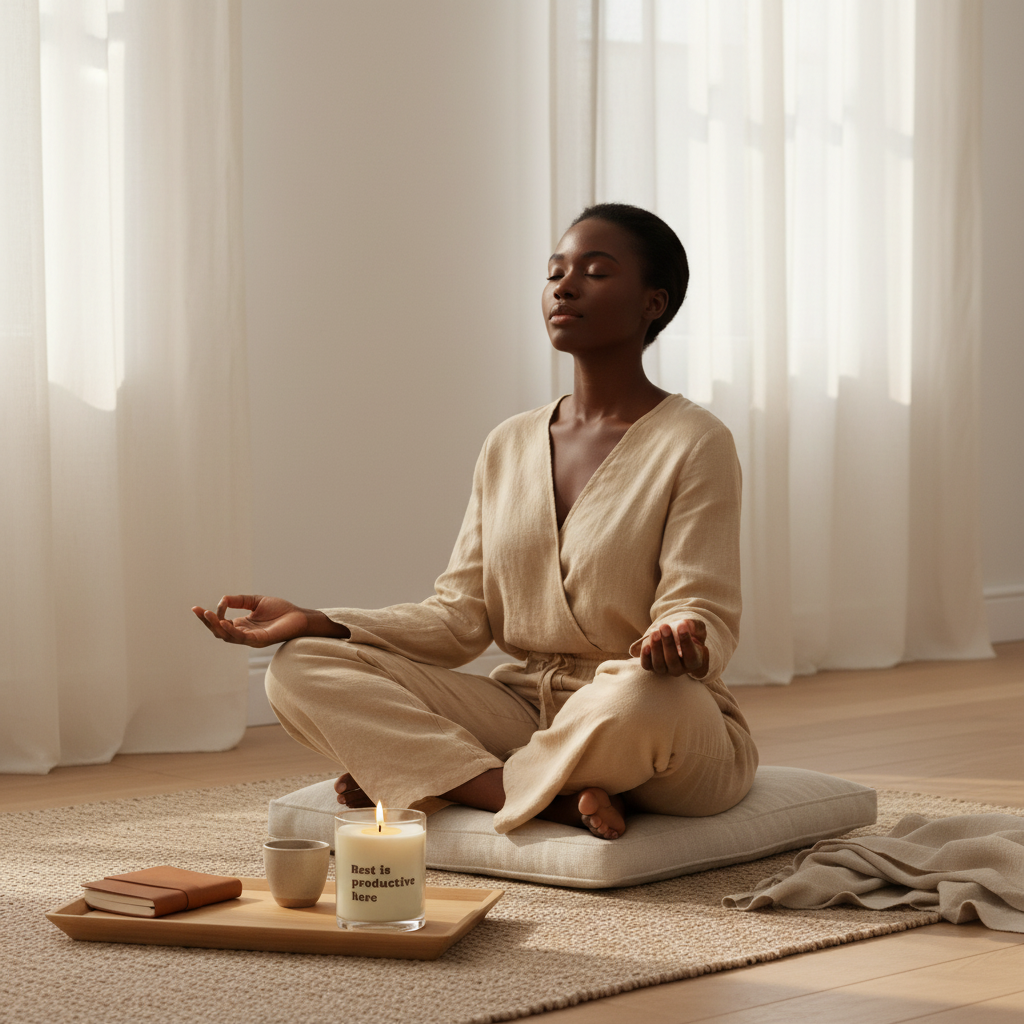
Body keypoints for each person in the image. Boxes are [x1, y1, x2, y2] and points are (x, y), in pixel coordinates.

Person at [193, 203, 757, 841]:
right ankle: (544, 799)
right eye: (555, 273)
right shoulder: (508, 443)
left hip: (653, 717)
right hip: (524, 709)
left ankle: (442, 778)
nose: (564, 287)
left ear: (653, 303)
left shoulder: (696, 440)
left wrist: (681, 635)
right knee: (299, 667)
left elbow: (698, 601)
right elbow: (459, 618)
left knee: (641, 696)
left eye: (595, 273)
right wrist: (320, 621)